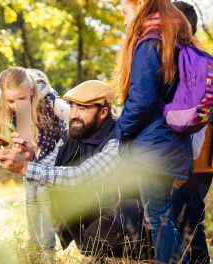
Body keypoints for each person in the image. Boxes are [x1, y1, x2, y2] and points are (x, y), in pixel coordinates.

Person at [0, 80, 137, 261]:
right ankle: (96, 253)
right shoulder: (76, 133)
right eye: (72, 106)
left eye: (82, 109)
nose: (73, 114)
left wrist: (25, 167)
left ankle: (129, 256)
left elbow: (81, 176)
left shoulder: (116, 140)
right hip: (97, 211)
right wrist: (31, 158)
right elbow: (51, 168)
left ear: (103, 112)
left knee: (102, 227)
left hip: (127, 218)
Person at [115, 0, 193, 262]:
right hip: (170, 143)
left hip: (154, 146)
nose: (126, 22)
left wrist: (121, 128)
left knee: (158, 218)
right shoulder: (175, 41)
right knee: (161, 217)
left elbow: (142, 98)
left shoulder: (151, 44)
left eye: (126, 13)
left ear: (139, 5)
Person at [0, 67, 68, 255]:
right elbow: (27, 140)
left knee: (44, 197)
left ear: (31, 90)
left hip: (54, 155)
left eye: (20, 99)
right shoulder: (15, 105)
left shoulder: (50, 101)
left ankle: (48, 250)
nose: (15, 105)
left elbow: (71, 122)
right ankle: (34, 245)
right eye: (10, 101)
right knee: (31, 198)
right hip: (33, 156)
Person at [172, 2, 212, 263]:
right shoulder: (195, 57)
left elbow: (194, 118)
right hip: (198, 161)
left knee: (186, 223)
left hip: (194, 161)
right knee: (189, 221)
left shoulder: (191, 60)